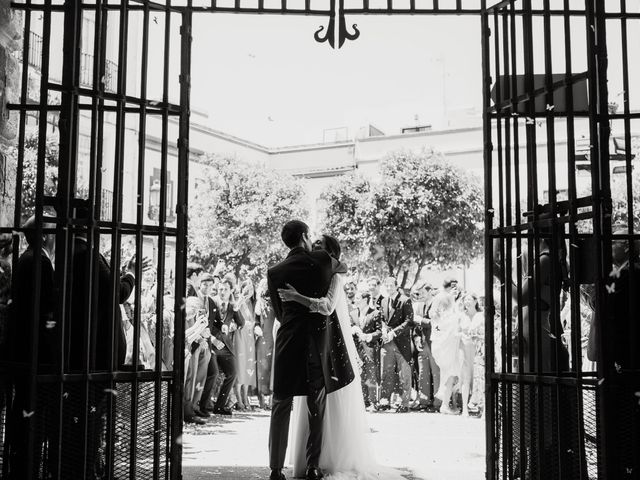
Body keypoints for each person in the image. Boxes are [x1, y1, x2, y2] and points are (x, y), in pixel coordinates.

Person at [278, 233, 405, 480]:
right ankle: (309, 459)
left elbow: (326, 306)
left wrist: (297, 297)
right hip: (308, 344)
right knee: (309, 401)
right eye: (313, 243)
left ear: (331, 253)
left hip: (330, 344)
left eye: (320, 245)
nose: (315, 247)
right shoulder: (307, 272)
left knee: (329, 400)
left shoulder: (336, 275)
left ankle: (329, 458)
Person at [266, 221, 353, 480]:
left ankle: (275, 469)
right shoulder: (323, 260)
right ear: (304, 237)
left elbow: (279, 314)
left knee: (281, 403)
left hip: (288, 339)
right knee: (316, 403)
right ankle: (313, 466)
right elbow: (343, 267)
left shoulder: (275, 271)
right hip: (315, 341)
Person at [7, 217, 58, 479]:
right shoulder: (39, 262)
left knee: (24, 414)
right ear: (48, 236)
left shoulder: (26, 259)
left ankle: (21, 466)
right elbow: (48, 311)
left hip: (22, 351)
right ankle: (26, 469)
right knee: (32, 420)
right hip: (34, 354)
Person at [208, 277, 244, 416]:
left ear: (230, 291)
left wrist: (236, 309)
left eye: (225, 289)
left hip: (225, 346)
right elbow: (208, 323)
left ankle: (219, 406)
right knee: (213, 373)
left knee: (232, 373)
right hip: (212, 343)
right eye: (220, 289)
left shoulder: (231, 306)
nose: (222, 292)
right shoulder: (211, 302)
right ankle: (204, 404)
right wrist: (214, 337)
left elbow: (241, 323)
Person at [378, 276, 414, 412]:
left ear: (396, 286)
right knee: (386, 373)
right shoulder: (384, 301)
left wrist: (393, 332)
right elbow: (382, 318)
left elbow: (409, 321)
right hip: (387, 342)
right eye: (386, 285)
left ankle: (405, 404)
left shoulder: (405, 300)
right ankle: (385, 401)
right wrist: (383, 330)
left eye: (391, 285)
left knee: (404, 374)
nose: (388, 288)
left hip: (402, 342)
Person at [430, 292, 464, 415]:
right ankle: (445, 405)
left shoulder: (435, 316)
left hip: (438, 348)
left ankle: (446, 403)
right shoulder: (448, 317)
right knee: (449, 376)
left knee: (447, 375)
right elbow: (454, 326)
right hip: (446, 348)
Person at [411, 281, 440, 411]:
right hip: (422, 344)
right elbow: (417, 327)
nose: (420, 295)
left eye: (422, 293)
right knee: (423, 373)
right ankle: (424, 401)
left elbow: (436, 323)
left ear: (429, 291)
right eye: (418, 293)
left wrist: (420, 320)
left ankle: (438, 403)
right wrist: (416, 338)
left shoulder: (437, 303)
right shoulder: (421, 306)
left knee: (436, 373)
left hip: (434, 343)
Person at [233, 279, 258, 410]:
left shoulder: (254, 303)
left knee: (249, 365)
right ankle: (239, 398)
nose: (248, 292)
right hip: (240, 335)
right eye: (246, 289)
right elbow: (234, 309)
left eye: (251, 289)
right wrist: (241, 298)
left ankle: (245, 396)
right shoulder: (239, 301)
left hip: (250, 337)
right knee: (240, 364)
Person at [459, 293, 481, 416]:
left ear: (475, 301)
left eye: (469, 300)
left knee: (477, 378)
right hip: (464, 349)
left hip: (477, 349)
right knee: (465, 378)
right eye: (465, 300)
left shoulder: (480, 315)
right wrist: (462, 335)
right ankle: (465, 409)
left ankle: (478, 406)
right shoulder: (461, 316)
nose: (467, 302)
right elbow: (455, 332)